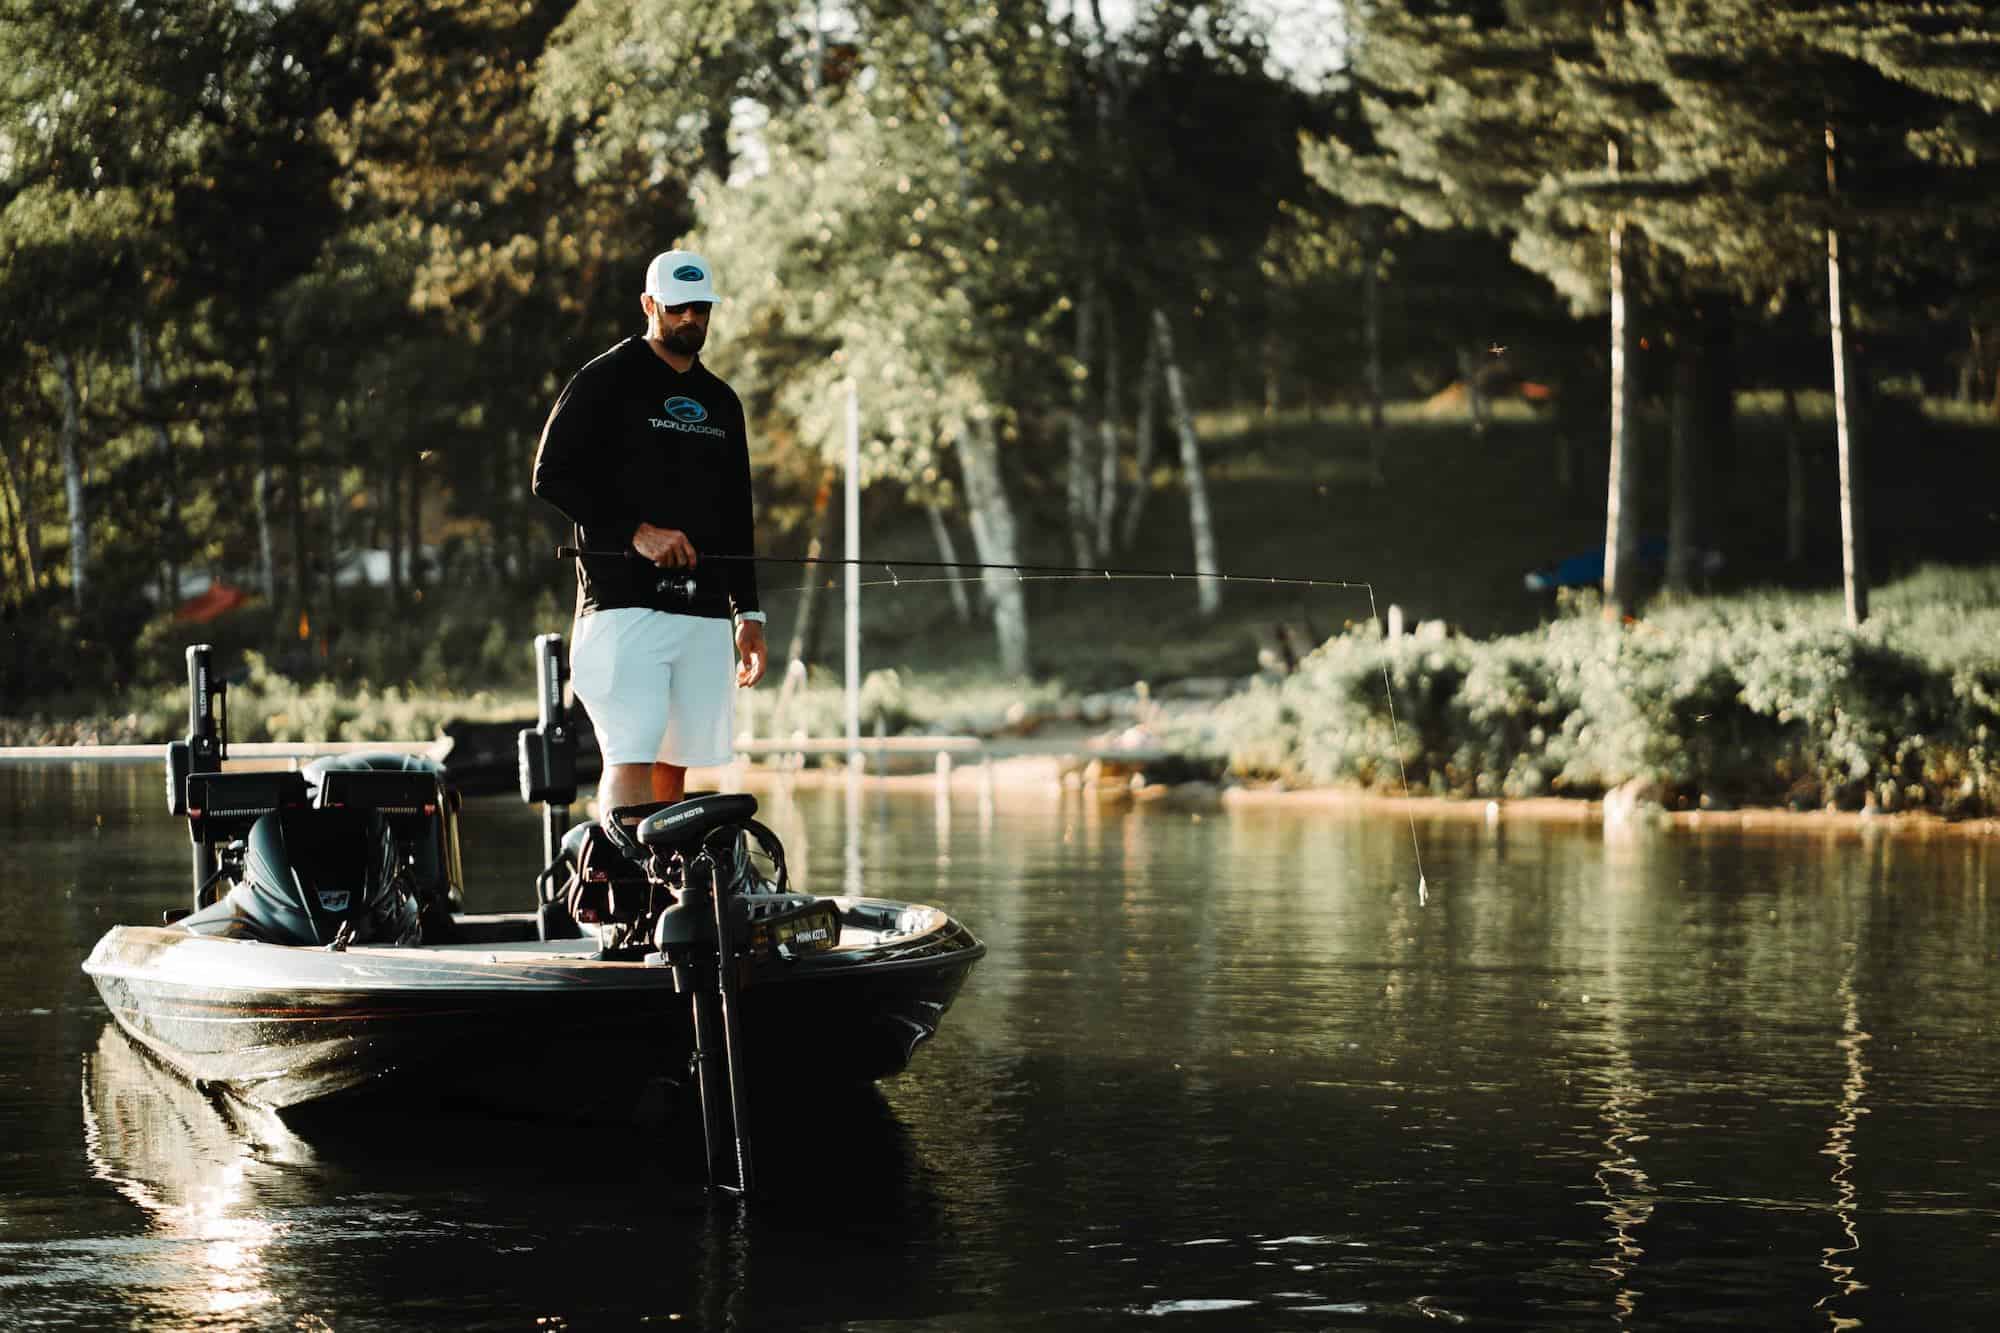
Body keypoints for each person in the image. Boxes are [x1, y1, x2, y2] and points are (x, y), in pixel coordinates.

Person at [531, 248, 767, 817]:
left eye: (702, 309)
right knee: (630, 755)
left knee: (674, 763)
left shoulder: (721, 402)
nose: (692, 319)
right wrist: (637, 533)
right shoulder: (604, 378)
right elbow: (550, 475)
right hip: (622, 607)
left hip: (705, 614)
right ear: (649, 304)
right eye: (679, 307)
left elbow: (737, 512)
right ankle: (621, 889)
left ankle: (661, 895)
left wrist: (749, 615)